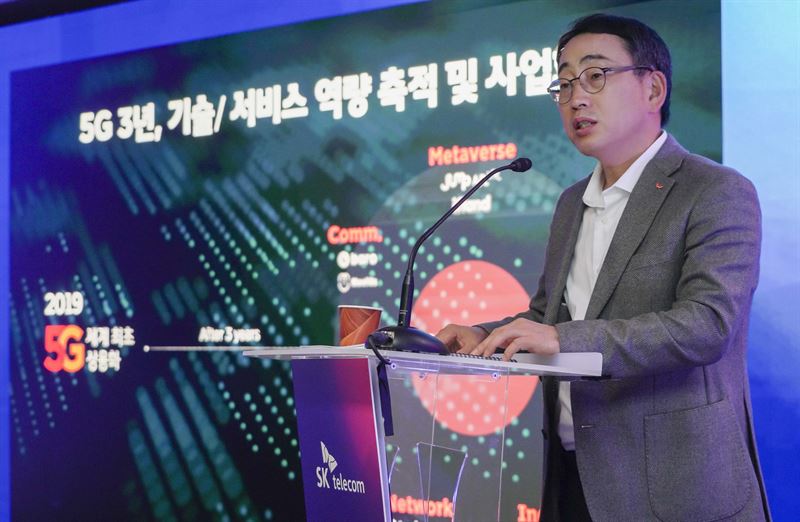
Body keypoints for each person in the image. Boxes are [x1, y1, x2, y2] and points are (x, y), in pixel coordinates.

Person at [436, 13, 770, 522]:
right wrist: (483, 335)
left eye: (595, 76)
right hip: (573, 478)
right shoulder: (572, 202)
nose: (576, 98)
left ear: (653, 88)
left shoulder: (715, 190)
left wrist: (562, 339)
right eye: (565, 83)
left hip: (676, 488)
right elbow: (549, 318)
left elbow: (707, 325)